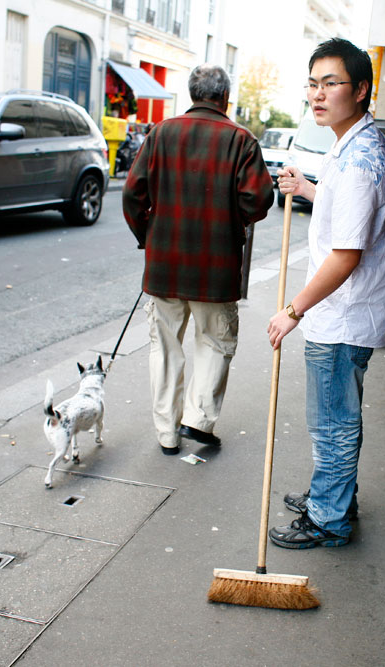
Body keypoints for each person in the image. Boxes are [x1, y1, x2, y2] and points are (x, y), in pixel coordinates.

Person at [267, 38, 385, 549]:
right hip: (340, 313)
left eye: (331, 83)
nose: (317, 95)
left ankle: (329, 518)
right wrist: (307, 189)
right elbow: (347, 215)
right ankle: (332, 494)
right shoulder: (349, 144)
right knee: (331, 419)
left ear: (361, 89)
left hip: (341, 316)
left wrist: (292, 309)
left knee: (333, 423)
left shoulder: (361, 157)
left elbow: (347, 253)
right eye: (313, 83)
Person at [123, 64, 274, 455]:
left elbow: (132, 195)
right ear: (225, 98)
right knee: (215, 341)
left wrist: (148, 237)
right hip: (216, 267)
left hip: (164, 265)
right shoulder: (241, 141)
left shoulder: (160, 134)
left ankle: (166, 432)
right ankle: (198, 421)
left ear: (192, 95)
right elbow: (258, 201)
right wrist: (231, 218)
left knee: (165, 346)